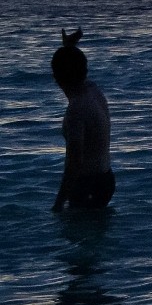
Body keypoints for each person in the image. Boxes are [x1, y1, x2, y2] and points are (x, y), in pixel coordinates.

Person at [51, 32, 114, 212]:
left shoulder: (75, 111)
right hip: (107, 180)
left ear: (55, 77)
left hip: (87, 185)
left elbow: (75, 161)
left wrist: (58, 203)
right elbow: (76, 68)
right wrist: (70, 48)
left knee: (79, 236)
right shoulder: (93, 90)